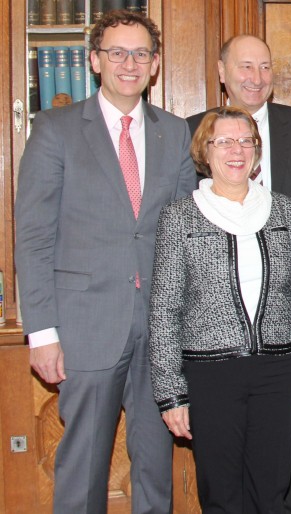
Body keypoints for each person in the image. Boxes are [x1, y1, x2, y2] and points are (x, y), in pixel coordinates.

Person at [14, 10, 196, 513]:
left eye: (140, 53)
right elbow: (32, 237)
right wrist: (43, 332)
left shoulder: (175, 132)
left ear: (155, 65)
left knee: (156, 466)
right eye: (117, 52)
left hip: (160, 330)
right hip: (84, 325)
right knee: (84, 466)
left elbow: (185, 234)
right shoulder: (56, 130)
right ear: (95, 60)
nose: (129, 63)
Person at [149, 105, 291, 512]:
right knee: (222, 493)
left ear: (256, 152)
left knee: (273, 487)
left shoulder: (283, 210)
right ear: (205, 151)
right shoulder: (179, 217)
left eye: (246, 141)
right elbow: (163, 309)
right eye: (224, 141)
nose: (237, 150)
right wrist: (170, 393)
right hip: (211, 373)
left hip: (278, 371)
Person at [186, 34, 291, 513]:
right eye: (244, 67)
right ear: (222, 72)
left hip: (285, 339)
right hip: (215, 349)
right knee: (225, 474)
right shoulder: (193, 131)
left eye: (265, 67)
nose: (256, 77)